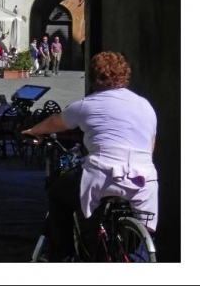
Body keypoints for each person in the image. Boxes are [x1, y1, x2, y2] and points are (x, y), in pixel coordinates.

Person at [22, 51, 158, 262]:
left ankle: (62, 254)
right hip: (144, 179)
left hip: (102, 174)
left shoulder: (87, 104)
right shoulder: (145, 106)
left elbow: (55, 123)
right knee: (137, 242)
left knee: (58, 193)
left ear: (95, 79)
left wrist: (33, 131)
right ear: (125, 76)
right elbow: (150, 145)